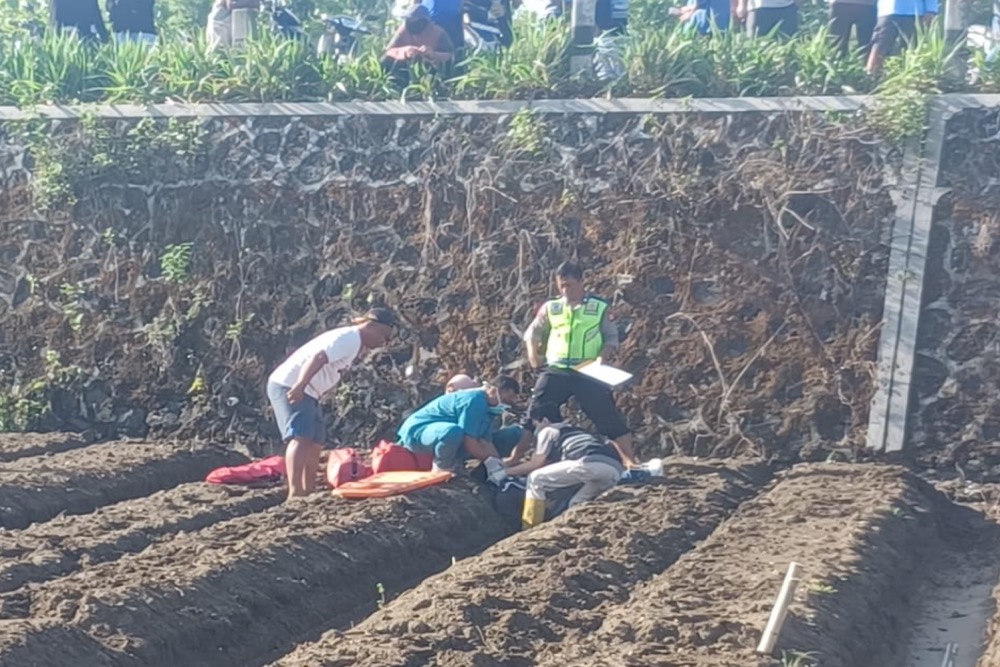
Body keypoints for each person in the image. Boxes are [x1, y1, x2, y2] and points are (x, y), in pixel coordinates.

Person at [267, 307, 397, 500]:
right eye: (383, 336)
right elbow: (318, 358)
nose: (383, 343)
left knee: (316, 440)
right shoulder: (349, 338)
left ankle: (308, 490)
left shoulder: (354, 342)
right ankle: (295, 492)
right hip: (290, 384)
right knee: (301, 437)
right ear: (372, 326)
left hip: (311, 392)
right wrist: (299, 386)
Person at [523, 262, 638, 468]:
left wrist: (602, 358)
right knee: (535, 411)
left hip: (587, 369)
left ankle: (628, 459)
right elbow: (533, 332)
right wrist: (533, 355)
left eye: (570, 285)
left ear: (581, 282)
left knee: (606, 415)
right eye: (562, 285)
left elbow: (610, 337)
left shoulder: (598, 307)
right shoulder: (551, 307)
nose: (566, 290)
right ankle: (519, 455)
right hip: (557, 368)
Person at [397, 376, 529, 478]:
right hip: (418, 434)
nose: (509, 402)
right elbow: (468, 439)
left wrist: (497, 464)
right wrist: (489, 461)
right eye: (509, 397)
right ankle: (442, 468)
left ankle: (463, 467)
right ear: (494, 390)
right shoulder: (474, 400)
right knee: (452, 432)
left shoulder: (489, 409)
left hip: (446, 438)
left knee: (512, 434)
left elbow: (485, 441)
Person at [506, 421, 624, 529]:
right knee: (576, 504)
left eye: (535, 425)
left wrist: (504, 472)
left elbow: (536, 464)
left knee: (535, 479)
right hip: (614, 470)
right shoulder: (578, 432)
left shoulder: (548, 430)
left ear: (544, 420)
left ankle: (529, 527)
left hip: (588, 463)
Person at [382, 5, 456, 87]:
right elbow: (389, 51)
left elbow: (450, 55)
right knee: (386, 60)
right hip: (405, 68)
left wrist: (433, 54)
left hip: (429, 69)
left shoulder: (438, 33)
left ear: (423, 22)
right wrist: (404, 51)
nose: (410, 24)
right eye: (408, 20)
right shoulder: (404, 30)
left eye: (414, 21)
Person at [866, 0, 937, 74]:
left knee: (914, 49)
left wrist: (931, 10)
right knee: (879, 46)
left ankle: (912, 79)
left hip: (915, 11)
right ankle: (871, 77)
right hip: (887, 9)